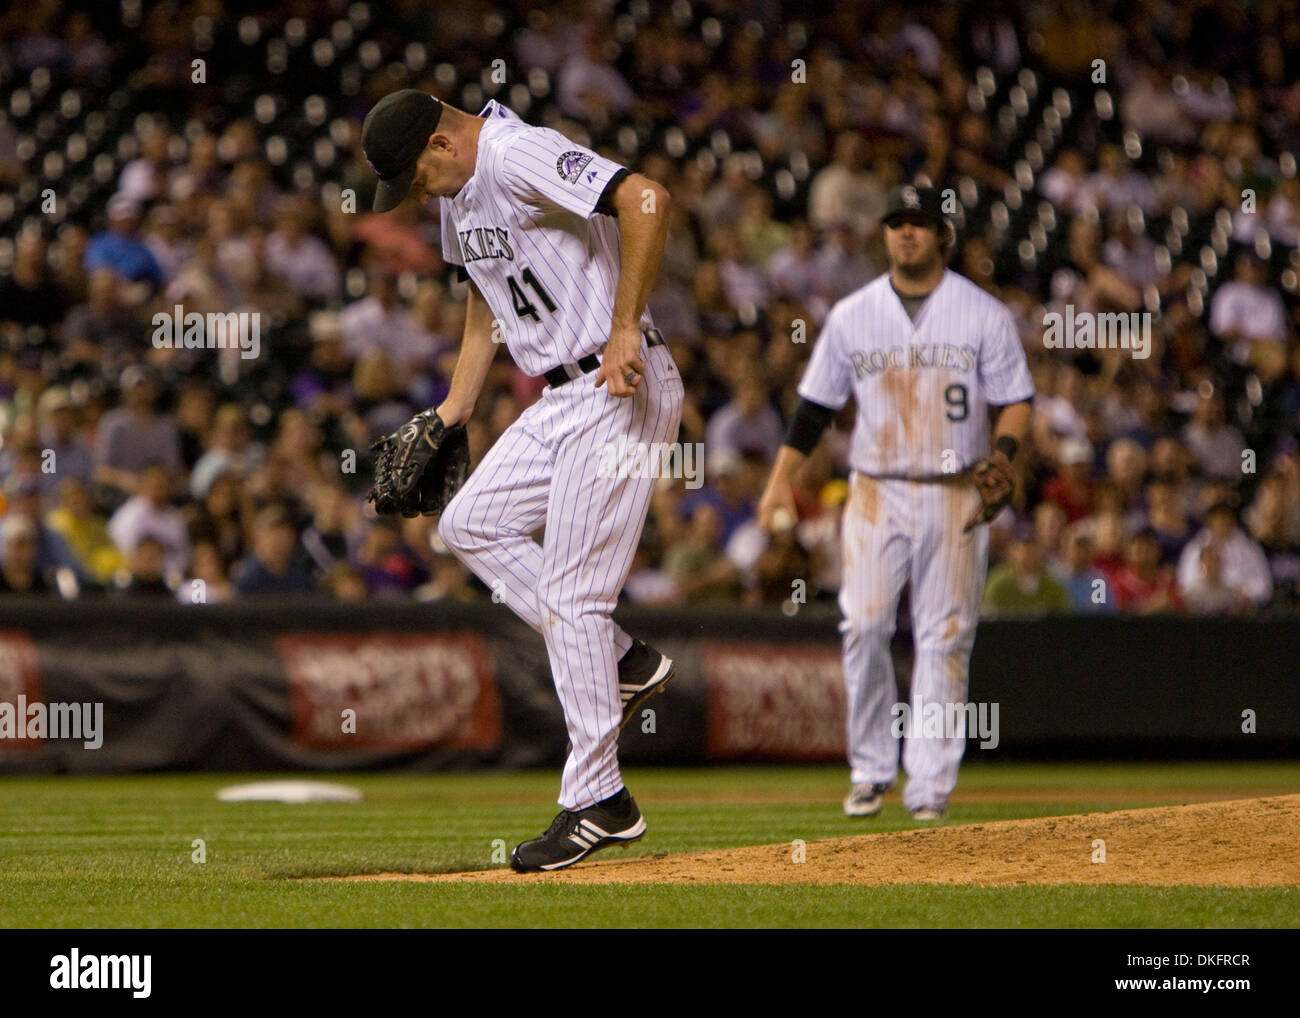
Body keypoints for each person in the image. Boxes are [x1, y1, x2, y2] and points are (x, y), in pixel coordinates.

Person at [361, 89, 683, 870]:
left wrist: (624, 325)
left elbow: (645, 198)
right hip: (559, 394)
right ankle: (623, 660)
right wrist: (454, 408)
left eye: (414, 175)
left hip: (615, 384)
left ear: (442, 142)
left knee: (572, 598)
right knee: (467, 525)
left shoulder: (516, 152)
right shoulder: (461, 189)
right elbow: (485, 294)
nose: (414, 193)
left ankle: (599, 800)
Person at [759, 185, 1034, 821]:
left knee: (945, 636)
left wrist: (1007, 453)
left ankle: (930, 786)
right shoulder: (854, 314)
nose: (907, 233)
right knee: (864, 624)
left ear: (943, 235)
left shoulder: (982, 312)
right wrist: (780, 480)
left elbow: (1015, 397)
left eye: (920, 223)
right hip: (876, 487)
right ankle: (871, 769)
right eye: (896, 223)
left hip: (956, 492)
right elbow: (815, 408)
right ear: (884, 234)